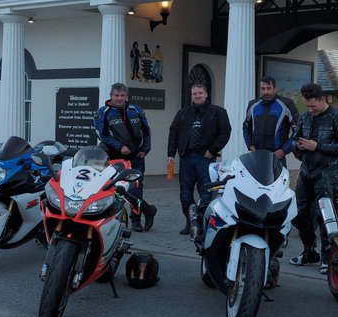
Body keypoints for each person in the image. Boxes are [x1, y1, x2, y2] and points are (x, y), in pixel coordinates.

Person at [289, 83, 338, 274]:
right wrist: (298, 147)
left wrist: (317, 146)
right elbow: (293, 139)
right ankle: (309, 251)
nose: (310, 110)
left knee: (324, 214)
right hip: (306, 170)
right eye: (307, 106)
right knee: (298, 214)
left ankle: (328, 258)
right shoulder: (304, 117)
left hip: (328, 172)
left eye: (313, 106)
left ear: (322, 99)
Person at [166, 82, 232, 235]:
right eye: (194, 94)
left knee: (206, 193)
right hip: (186, 158)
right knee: (185, 194)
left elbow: (225, 133)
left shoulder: (218, 112)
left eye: (200, 93)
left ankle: (202, 223)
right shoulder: (183, 113)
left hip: (205, 158)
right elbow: (173, 133)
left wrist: (212, 150)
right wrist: (170, 154)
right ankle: (191, 222)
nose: (197, 96)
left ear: (206, 94)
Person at [94, 82, 156, 232]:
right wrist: (119, 146)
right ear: (111, 96)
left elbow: (146, 131)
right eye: (117, 95)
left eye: (122, 96)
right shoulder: (102, 112)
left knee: (136, 188)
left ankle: (136, 219)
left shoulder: (136, 110)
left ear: (126, 96)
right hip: (115, 158)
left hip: (137, 156)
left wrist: (145, 149)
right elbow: (102, 135)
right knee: (116, 189)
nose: (120, 98)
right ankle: (116, 217)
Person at [243, 76, 297, 161]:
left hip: (277, 158)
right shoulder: (253, 105)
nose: (265, 92)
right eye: (263, 88)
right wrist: (249, 145)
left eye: (269, 88)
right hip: (256, 156)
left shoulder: (287, 104)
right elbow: (246, 127)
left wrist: (283, 150)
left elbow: (297, 130)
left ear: (275, 89)